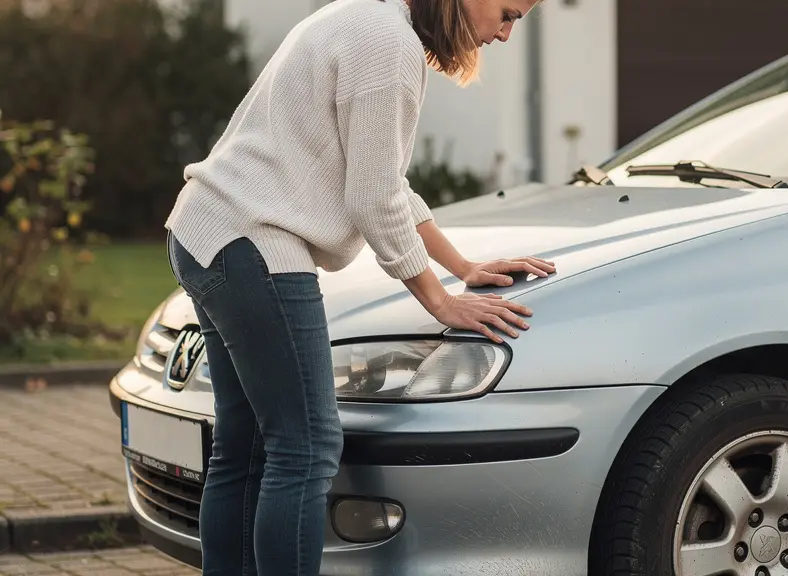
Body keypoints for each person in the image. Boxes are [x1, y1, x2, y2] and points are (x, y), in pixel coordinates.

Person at [162, 0, 549, 574]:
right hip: (253, 243)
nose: (507, 34)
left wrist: (461, 266)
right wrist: (440, 299)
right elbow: (374, 199)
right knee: (307, 447)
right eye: (509, 13)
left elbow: (383, 180)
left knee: (244, 452)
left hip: (208, 231)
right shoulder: (387, 45)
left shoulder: (368, 19)